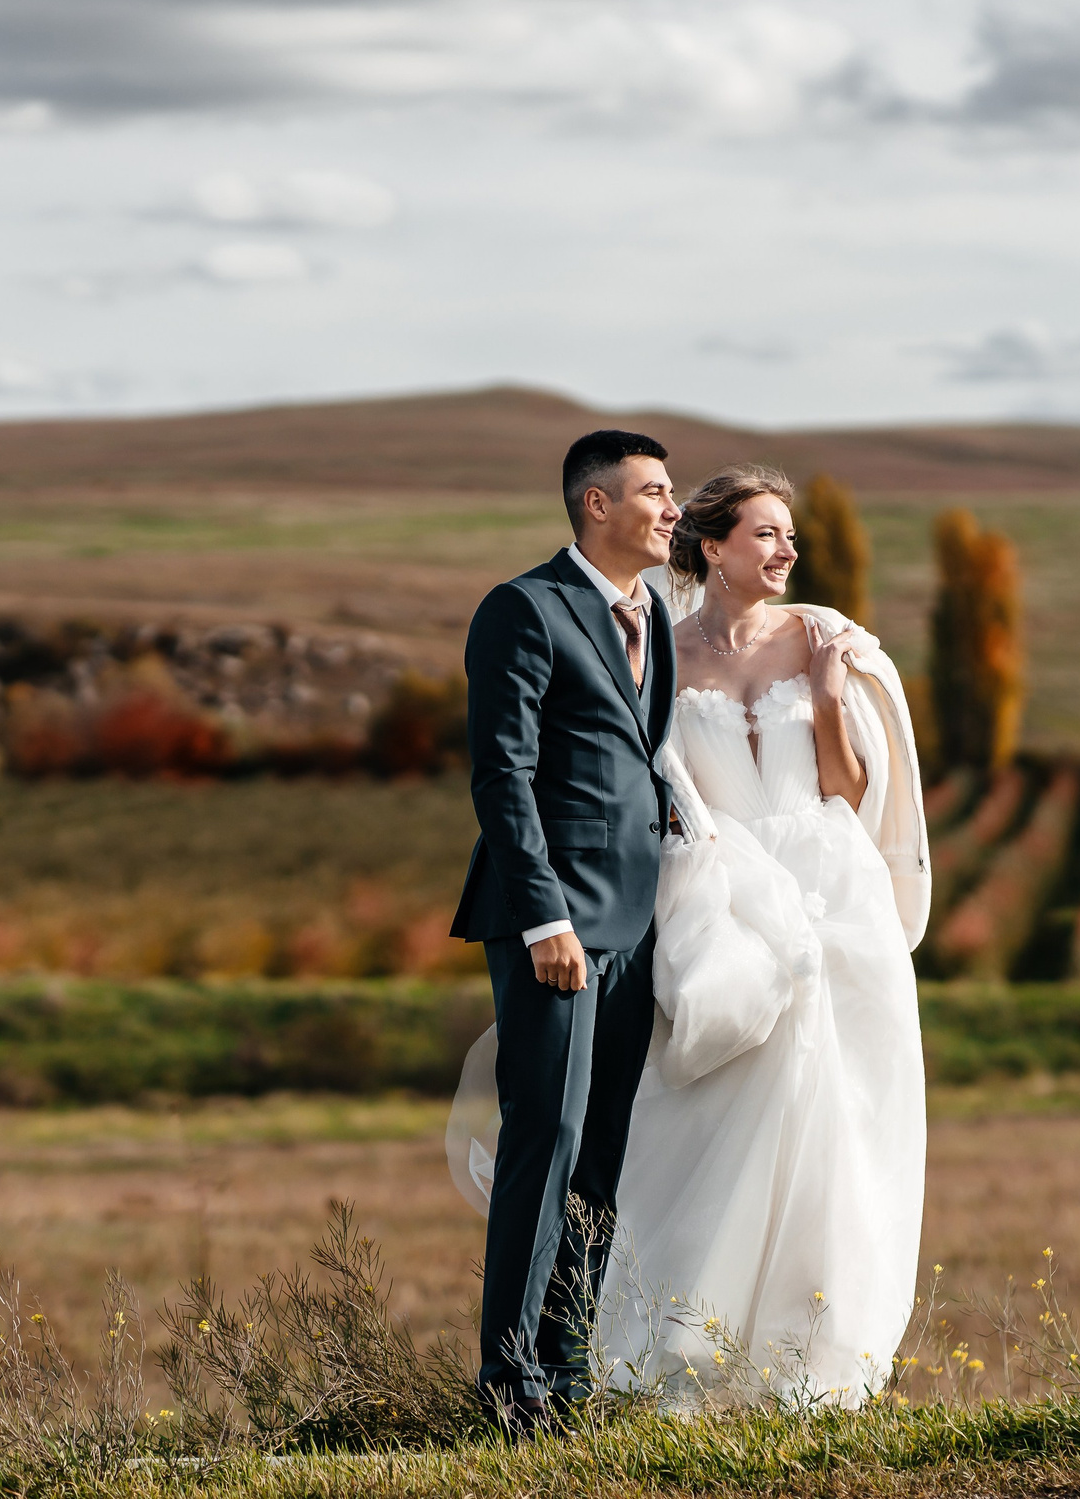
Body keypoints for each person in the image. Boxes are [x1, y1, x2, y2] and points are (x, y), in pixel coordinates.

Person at [447, 461, 929, 1408]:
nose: (788, 549)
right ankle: (641, 1348)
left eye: (792, 535)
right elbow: (614, 777)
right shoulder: (647, 638)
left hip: (828, 902)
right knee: (692, 1125)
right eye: (766, 532)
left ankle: (810, 1352)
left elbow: (853, 792)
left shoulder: (831, 641)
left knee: (832, 1121)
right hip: (711, 904)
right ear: (712, 547)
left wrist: (830, 697)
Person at [448, 429, 682, 1432]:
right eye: (655, 493)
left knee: (600, 1157)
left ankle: (569, 1367)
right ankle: (510, 1388)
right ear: (596, 504)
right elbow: (501, 773)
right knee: (543, 1143)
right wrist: (544, 915)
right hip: (553, 924)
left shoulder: (653, 616)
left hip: (635, 923)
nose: (672, 510)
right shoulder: (522, 609)